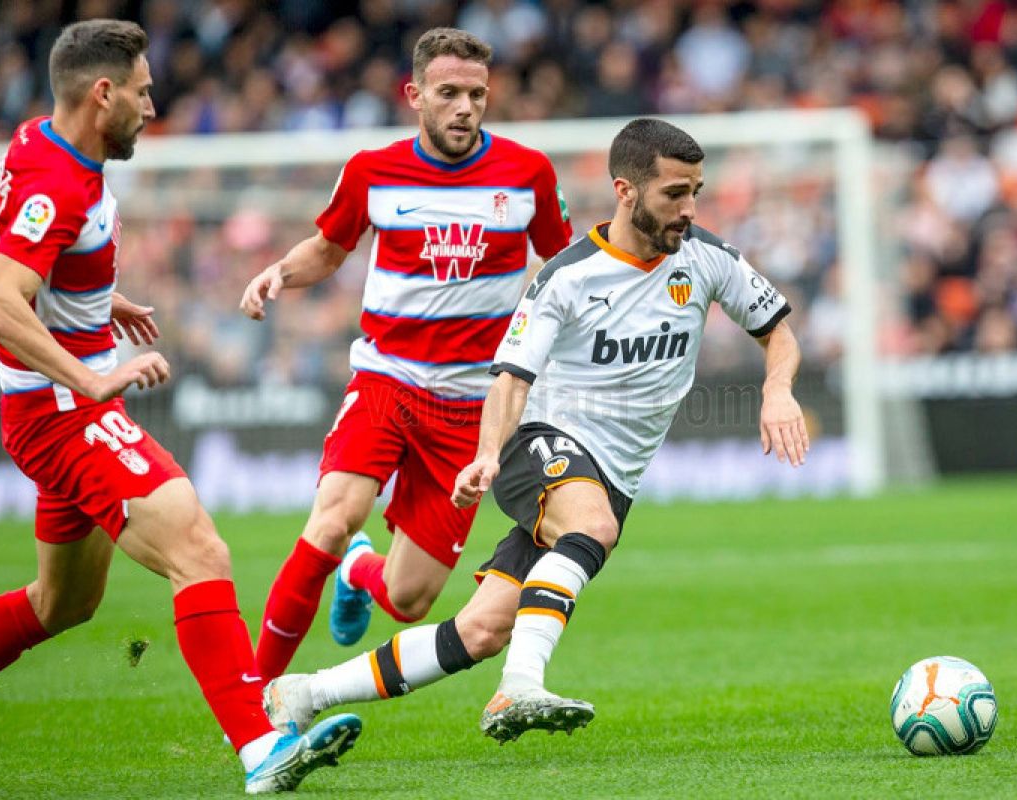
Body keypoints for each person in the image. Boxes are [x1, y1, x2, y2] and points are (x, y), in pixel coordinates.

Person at [261, 118, 809, 743]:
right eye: (674, 194)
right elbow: (512, 380)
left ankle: (302, 693)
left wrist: (777, 389)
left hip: (613, 475)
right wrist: (488, 454)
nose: (689, 209)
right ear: (625, 191)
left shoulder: (709, 260)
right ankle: (518, 690)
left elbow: (779, 330)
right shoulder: (566, 278)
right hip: (541, 440)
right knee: (590, 527)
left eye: (696, 193)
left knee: (481, 629)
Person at [0, 20, 359, 793]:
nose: (151, 104)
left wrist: (95, 299)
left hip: (53, 406)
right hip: (66, 412)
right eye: (141, 90)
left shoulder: (41, 143)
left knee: (62, 603)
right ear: (103, 94)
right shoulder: (53, 180)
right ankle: (260, 747)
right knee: (200, 550)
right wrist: (90, 372)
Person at [238, 27, 573, 680]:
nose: (465, 107)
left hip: (473, 405)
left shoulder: (527, 173)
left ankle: (359, 572)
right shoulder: (373, 170)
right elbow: (329, 249)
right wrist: (279, 271)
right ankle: (252, 701)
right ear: (415, 95)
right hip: (387, 378)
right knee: (332, 519)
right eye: (449, 93)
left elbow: (562, 266)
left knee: (409, 599)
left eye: (476, 94)